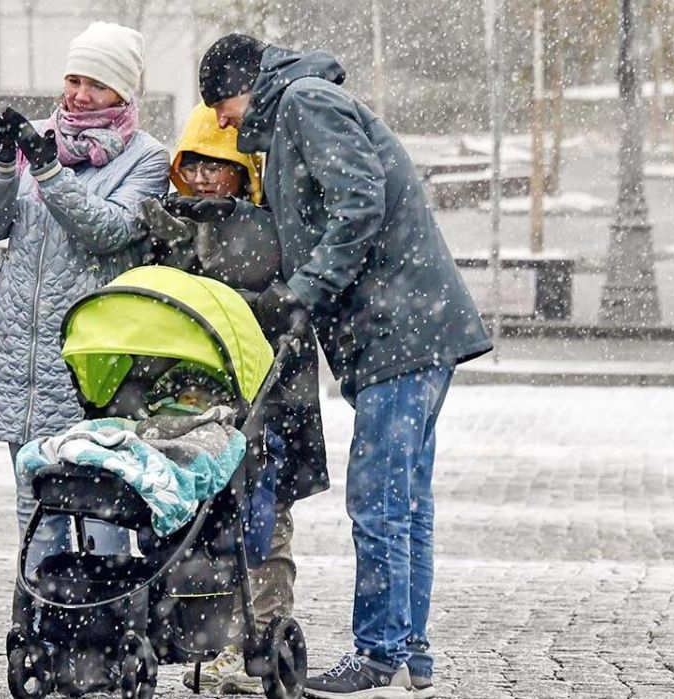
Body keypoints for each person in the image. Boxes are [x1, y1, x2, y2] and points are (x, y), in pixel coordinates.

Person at [197, 34, 493, 699]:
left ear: (249, 84)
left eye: (221, 101)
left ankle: (378, 652)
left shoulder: (305, 102)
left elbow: (358, 203)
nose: (220, 120)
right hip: (413, 330)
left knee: (380, 497)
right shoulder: (302, 110)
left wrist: (304, 291)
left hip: (400, 332)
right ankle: (410, 652)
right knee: (407, 500)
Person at [138, 102, 329, 695]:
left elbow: (267, 309)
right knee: (198, 520)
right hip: (195, 405)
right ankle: (202, 628)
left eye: (215, 167)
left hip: (262, 408)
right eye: (191, 164)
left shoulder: (266, 234)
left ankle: (263, 626)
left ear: (243, 173)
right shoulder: (170, 227)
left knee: (263, 520)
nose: (200, 178)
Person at [0, 22, 170, 569]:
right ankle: (41, 626)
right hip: (23, 355)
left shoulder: (147, 158)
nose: (79, 94)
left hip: (91, 359)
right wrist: (3, 162)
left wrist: (50, 170)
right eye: (74, 79)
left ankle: (104, 622)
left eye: (96, 84)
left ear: (124, 92)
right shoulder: (35, 138)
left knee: (104, 505)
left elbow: (106, 229)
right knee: (36, 508)